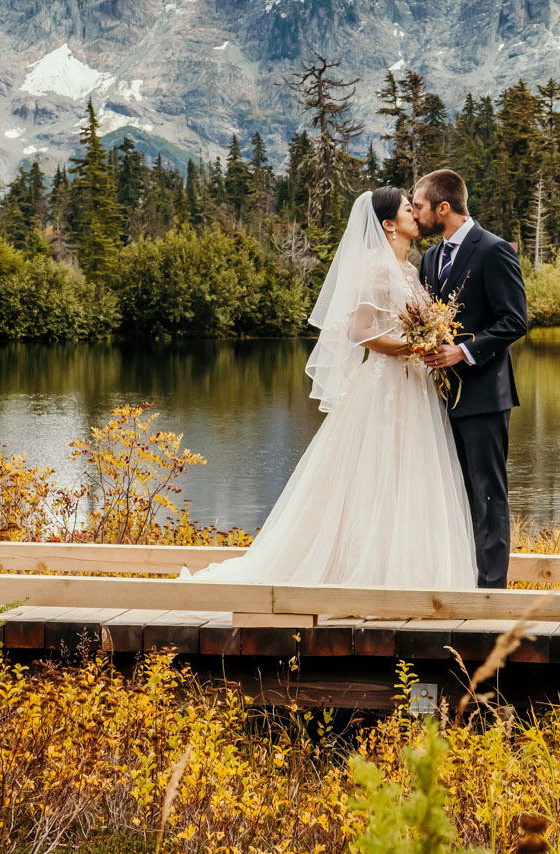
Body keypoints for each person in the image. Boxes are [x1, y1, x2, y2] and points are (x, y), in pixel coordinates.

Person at [192, 187, 477, 588]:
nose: (416, 214)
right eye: (408, 210)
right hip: (384, 387)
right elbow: (359, 332)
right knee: (376, 473)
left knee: (409, 475)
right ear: (388, 224)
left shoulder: (411, 270)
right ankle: (362, 573)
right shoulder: (378, 268)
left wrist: (427, 344)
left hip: (414, 387)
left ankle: (408, 575)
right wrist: (413, 346)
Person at [409, 168, 528, 589]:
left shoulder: (493, 250)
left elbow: (515, 320)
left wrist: (463, 351)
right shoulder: (429, 258)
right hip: (437, 401)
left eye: (420, 206)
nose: (415, 213)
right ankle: (460, 580)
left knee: (488, 496)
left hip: (483, 398)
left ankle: (491, 592)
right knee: (450, 494)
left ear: (444, 207)